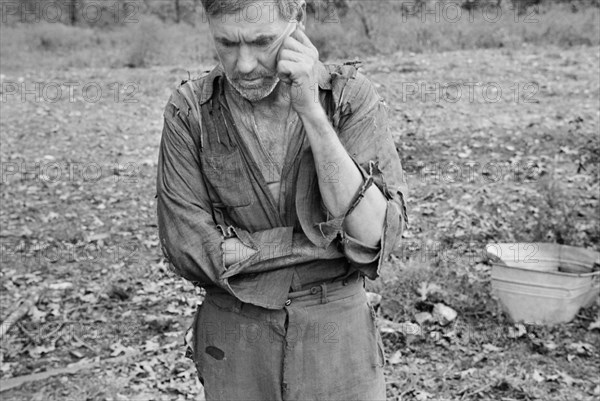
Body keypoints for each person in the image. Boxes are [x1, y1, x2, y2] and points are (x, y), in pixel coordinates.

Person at [156, 0, 408, 400]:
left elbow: (374, 236)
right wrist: (321, 245)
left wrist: (311, 112)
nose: (243, 64)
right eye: (226, 43)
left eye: (262, 42)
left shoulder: (347, 97)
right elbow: (190, 251)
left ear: (297, 25)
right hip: (235, 339)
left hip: (338, 338)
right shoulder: (190, 112)